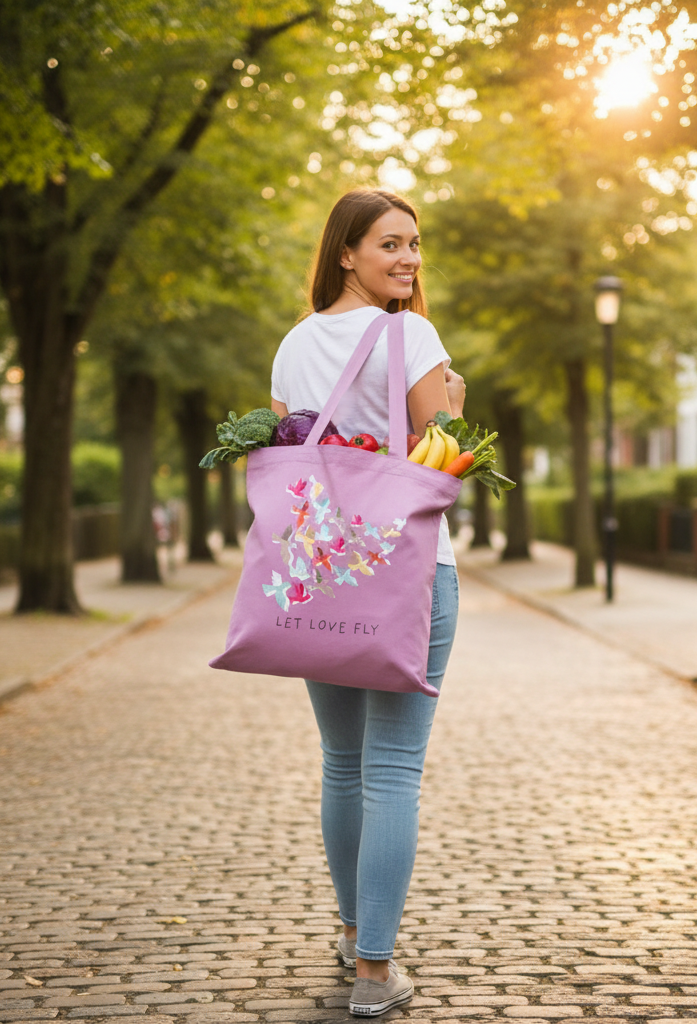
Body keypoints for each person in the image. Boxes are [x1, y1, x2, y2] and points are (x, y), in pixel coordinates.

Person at [270, 188, 465, 1017]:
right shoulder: (409, 332)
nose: (408, 261)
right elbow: (441, 451)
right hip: (409, 572)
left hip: (318, 571)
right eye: (390, 245)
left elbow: (289, 453)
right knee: (391, 769)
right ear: (345, 252)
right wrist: (452, 401)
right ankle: (376, 975)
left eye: (415, 246)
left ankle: (355, 934)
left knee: (342, 764)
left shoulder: (293, 343)